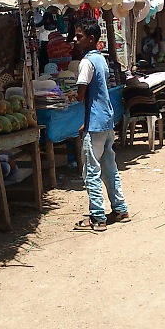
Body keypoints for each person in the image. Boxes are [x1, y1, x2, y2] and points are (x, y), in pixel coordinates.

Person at [72, 18, 130, 232]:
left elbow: (81, 95)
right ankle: (120, 208)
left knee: (91, 172)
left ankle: (98, 216)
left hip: (95, 124)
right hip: (106, 121)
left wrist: (74, 96)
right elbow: (97, 95)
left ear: (91, 38)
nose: (76, 41)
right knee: (109, 167)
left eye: (79, 37)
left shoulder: (86, 62)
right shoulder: (102, 60)